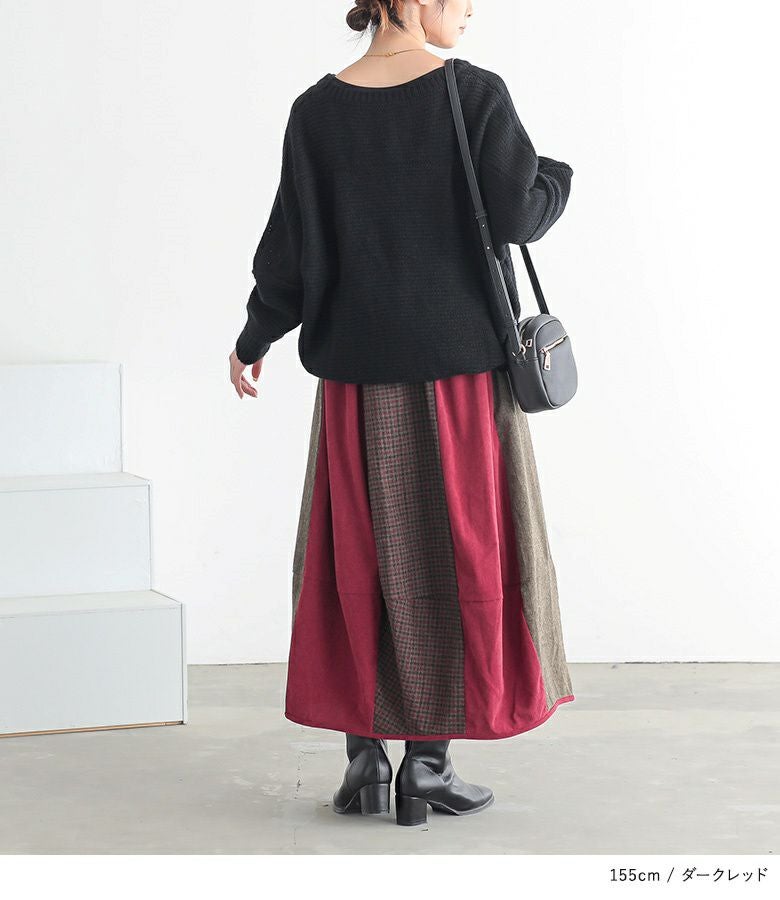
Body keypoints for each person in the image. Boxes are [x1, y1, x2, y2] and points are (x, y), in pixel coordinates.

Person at [228, 0, 576, 828]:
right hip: (460, 383)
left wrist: (253, 337)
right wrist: (558, 176)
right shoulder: (473, 93)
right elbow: (522, 212)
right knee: (451, 558)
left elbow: (289, 252)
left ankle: (364, 763)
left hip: (355, 383)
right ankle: (428, 764)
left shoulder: (315, 111)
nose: (471, 10)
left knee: (360, 560)